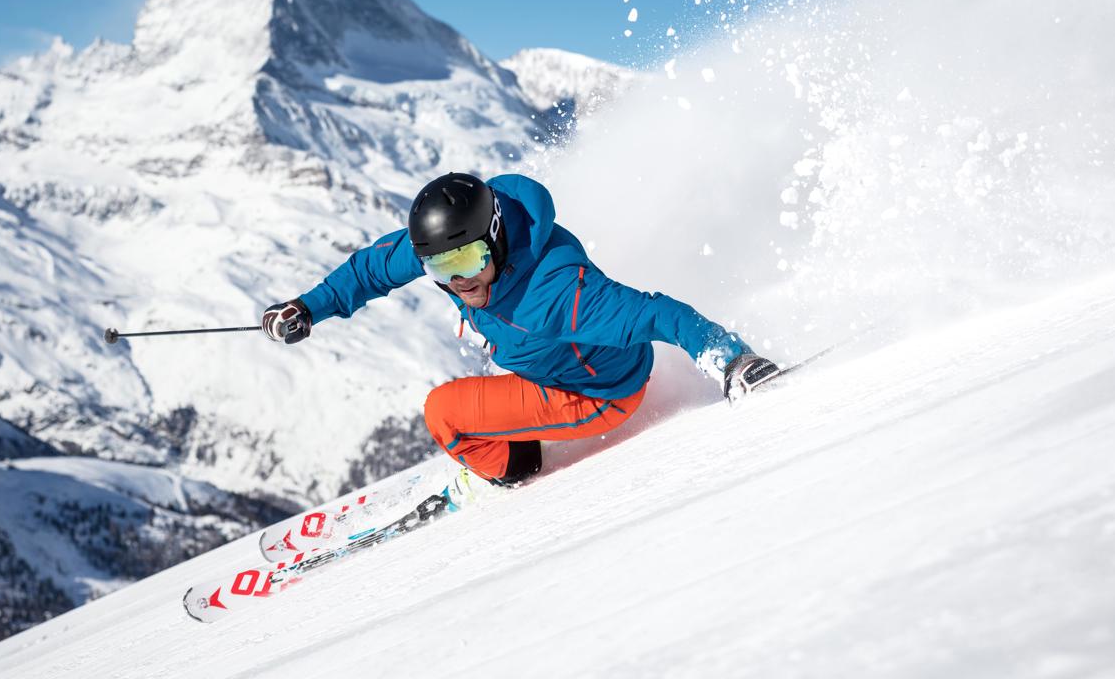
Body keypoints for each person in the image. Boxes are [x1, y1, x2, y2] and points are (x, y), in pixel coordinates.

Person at [261, 172, 778, 489]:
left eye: (468, 261)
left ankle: (515, 468)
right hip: (557, 365)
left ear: (495, 239)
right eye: (441, 270)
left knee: (444, 414)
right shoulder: (448, 243)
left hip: (596, 394)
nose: (459, 280)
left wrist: (733, 360)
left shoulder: (557, 293)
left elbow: (660, 314)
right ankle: (518, 433)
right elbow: (371, 270)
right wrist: (308, 308)